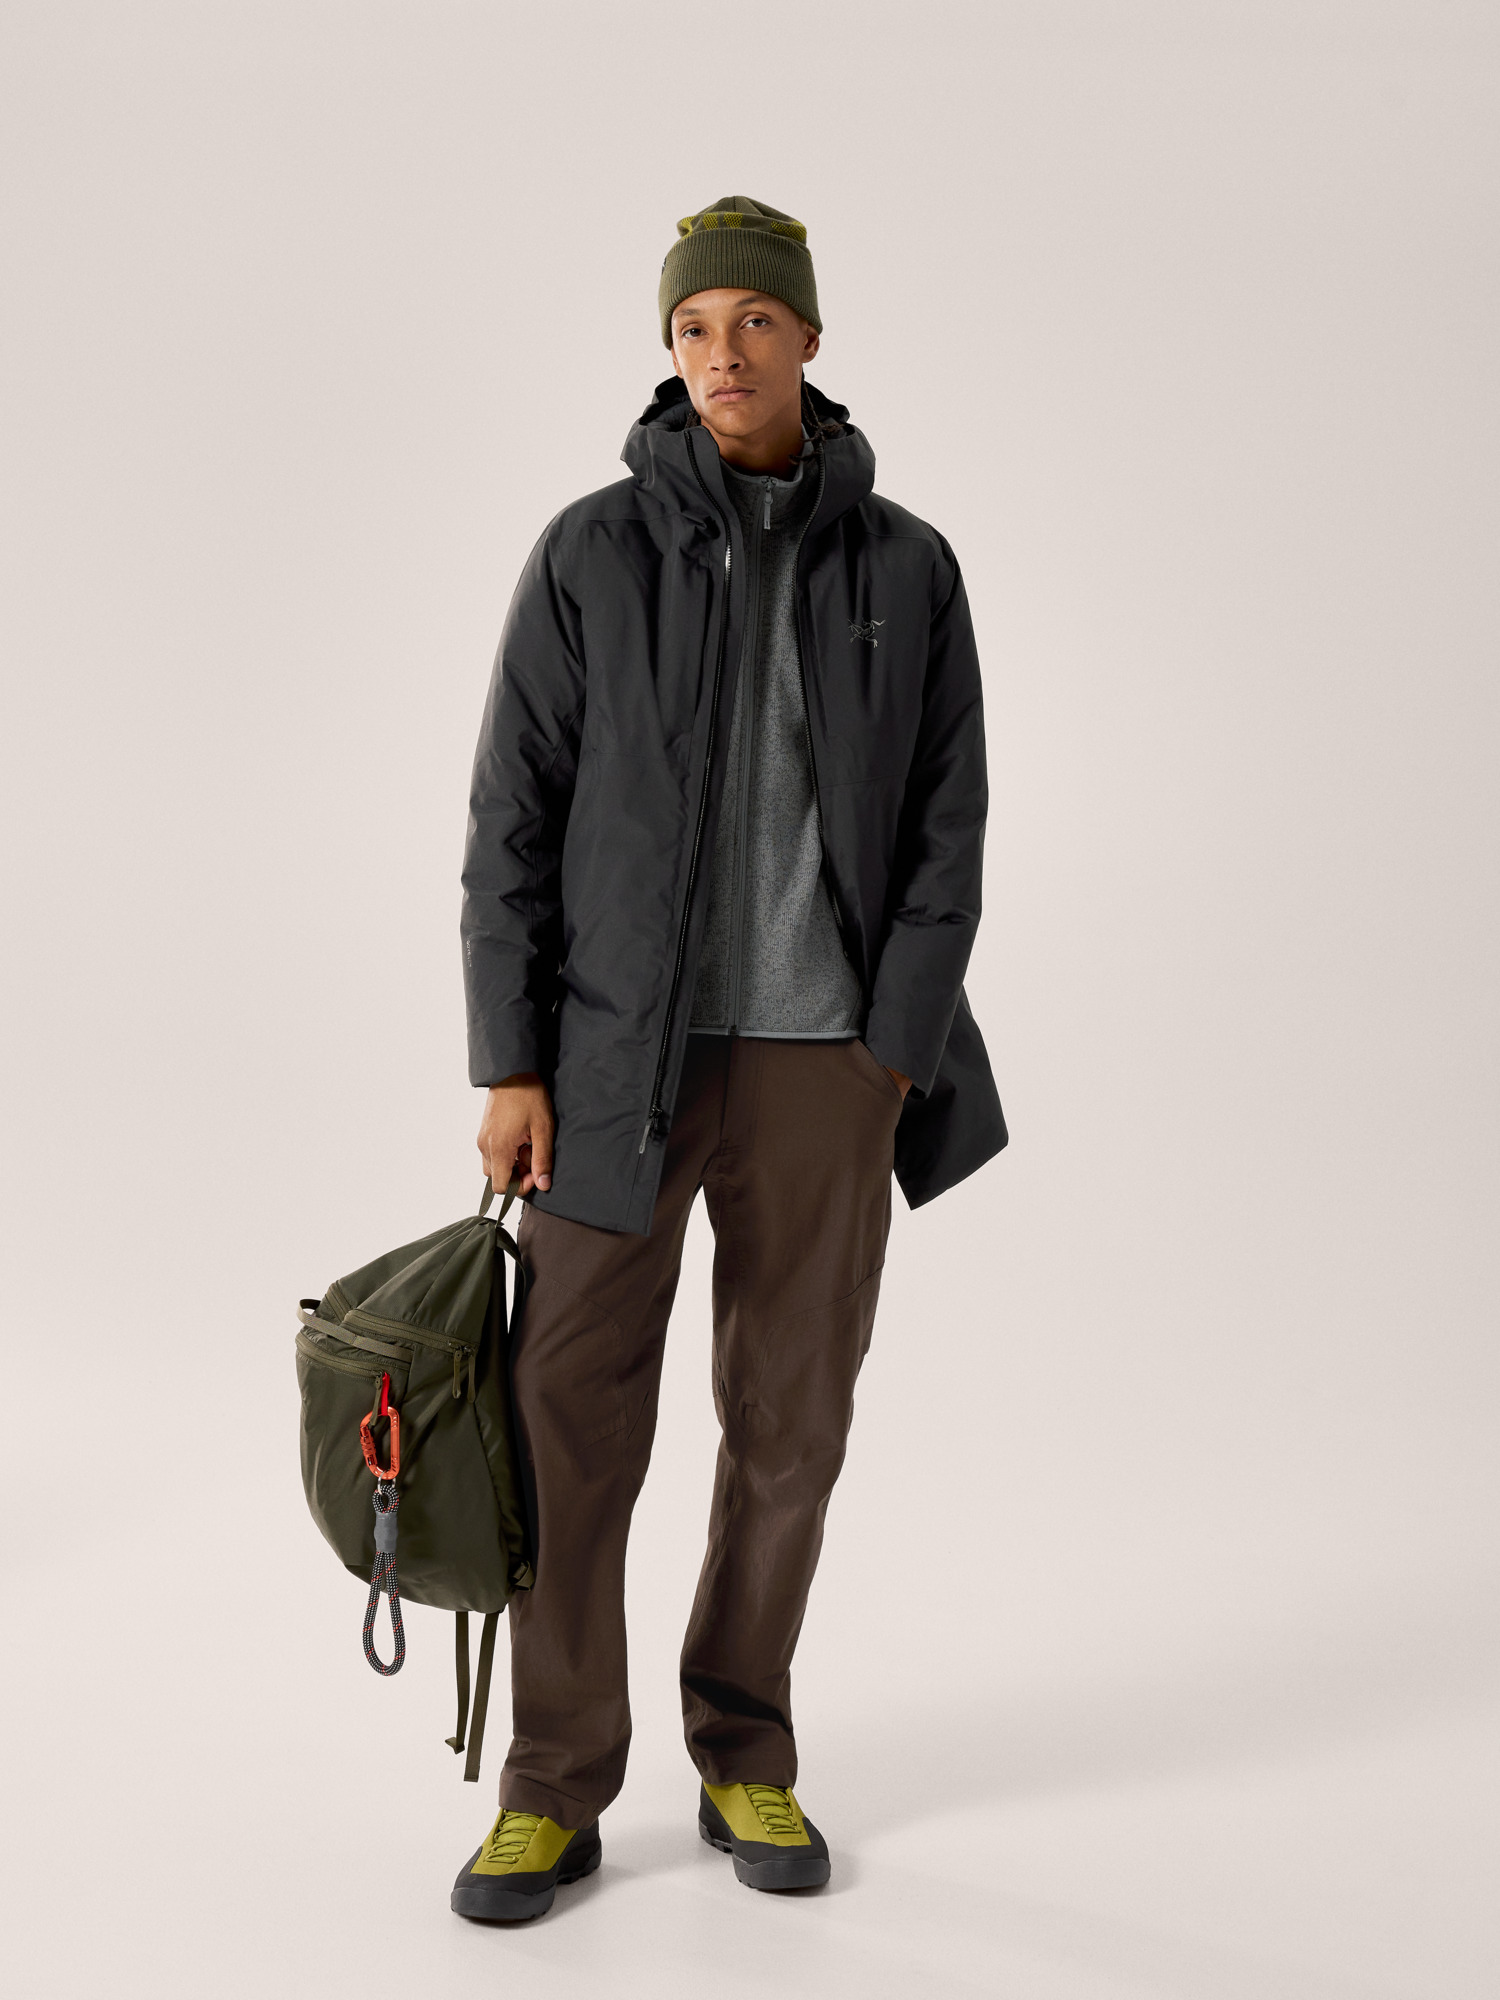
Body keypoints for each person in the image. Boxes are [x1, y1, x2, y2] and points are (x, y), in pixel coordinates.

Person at [452, 194, 1006, 1923]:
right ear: (670, 348)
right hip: (612, 1066)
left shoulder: (906, 566)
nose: (722, 352)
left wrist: (894, 1050)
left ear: (809, 339)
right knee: (563, 1419)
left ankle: (743, 1747)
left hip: (828, 1066)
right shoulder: (589, 554)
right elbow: (511, 820)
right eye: (694, 326)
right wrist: (512, 1059)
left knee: (790, 1424)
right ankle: (553, 1785)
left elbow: (950, 825)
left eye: (755, 320)